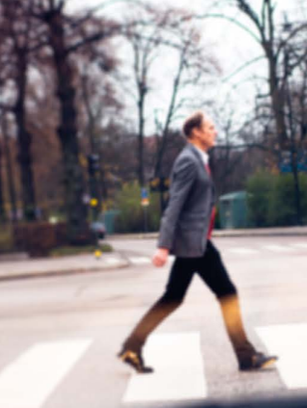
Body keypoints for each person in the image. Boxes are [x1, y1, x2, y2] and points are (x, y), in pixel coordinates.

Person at [118, 111, 277, 374]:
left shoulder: (198, 160)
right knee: (226, 293)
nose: (215, 131)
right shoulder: (188, 162)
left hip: (196, 242)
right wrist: (163, 245)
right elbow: (174, 205)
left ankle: (132, 346)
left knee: (175, 297)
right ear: (196, 133)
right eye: (210, 127)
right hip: (194, 244)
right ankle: (245, 356)